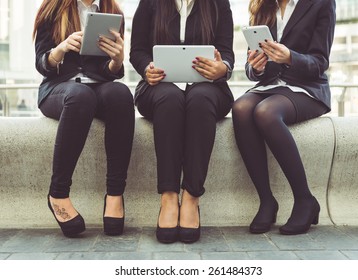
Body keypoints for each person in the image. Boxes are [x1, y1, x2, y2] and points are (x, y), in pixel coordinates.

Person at [130, 0, 234, 243]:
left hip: (208, 88)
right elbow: (137, 51)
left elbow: (227, 53)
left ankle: (191, 197)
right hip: (158, 87)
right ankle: (168, 197)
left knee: (200, 98)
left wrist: (222, 67)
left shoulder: (219, 3)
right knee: (169, 98)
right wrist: (147, 69)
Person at [232, 0, 335, 235]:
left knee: (265, 112)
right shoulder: (263, 6)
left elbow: (320, 62)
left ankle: (305, 199)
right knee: (240, 108)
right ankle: (267, 201)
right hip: (272, 86)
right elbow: (252, 70)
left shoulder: (322, 3)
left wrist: (290, 57)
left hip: (308, 88)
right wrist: (255, 67)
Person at [33, 0, 135, 237]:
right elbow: (41, 64)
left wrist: (117, 60)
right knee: (80, 96)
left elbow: (108, 72)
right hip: (58, 89)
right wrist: (62, 48)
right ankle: (57, 193)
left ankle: (115, 194)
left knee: (120, 93)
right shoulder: (52, 8)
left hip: (97, 86)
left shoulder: (112, 12)